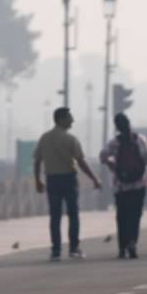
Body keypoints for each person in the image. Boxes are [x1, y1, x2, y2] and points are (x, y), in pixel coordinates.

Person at [32, 107, 102, 261]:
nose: (72, 120)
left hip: (52, 180)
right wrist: (94, 179)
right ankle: (73, 248)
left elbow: (37, 161)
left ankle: (56, 251)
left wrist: (37, 180)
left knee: (55, 216)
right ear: (60, 119)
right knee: (73, 214)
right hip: (68, 179)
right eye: (69, 117)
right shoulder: (71, 139)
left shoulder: (45, 138)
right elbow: (81, 162)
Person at [99, 113, 147, 258]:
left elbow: (102, 156)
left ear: (117, 127)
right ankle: (132, 242)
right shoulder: (140, 139)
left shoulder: (114, 143)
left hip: (120, 186)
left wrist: (112, 164)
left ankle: (122, 248)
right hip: (139, 184)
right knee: (135, 215)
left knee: (122, 216)